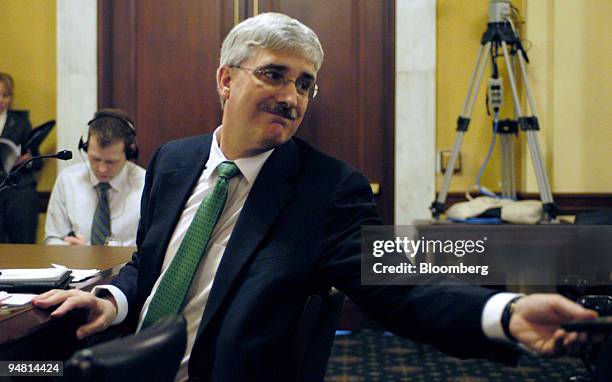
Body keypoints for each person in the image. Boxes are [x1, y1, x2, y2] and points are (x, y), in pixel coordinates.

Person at [33, 13, 597, 381]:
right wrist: (112, 298)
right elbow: (149, 264)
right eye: (275, 75)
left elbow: (399, 285)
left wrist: (507, 311)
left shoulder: (327, 189)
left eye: (305, 84)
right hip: (122, 357)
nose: (292, 96)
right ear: (226, 80)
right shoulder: (173, 160)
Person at [44, 109, 145, 246]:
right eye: (95, 159)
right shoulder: (68, 180)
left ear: (129, 153)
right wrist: (67, 247)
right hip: (77, 264)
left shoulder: (145, 184)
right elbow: (52, 238)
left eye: (111, 162)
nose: (102, 168)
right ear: (85, 148)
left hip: (128, 266)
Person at [0, 72, 42, 243]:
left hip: (16, 187)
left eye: (6, 95)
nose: (1, 99)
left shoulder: (21, 123)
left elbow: (37, 160)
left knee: (23, 204)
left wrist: (27, 160)